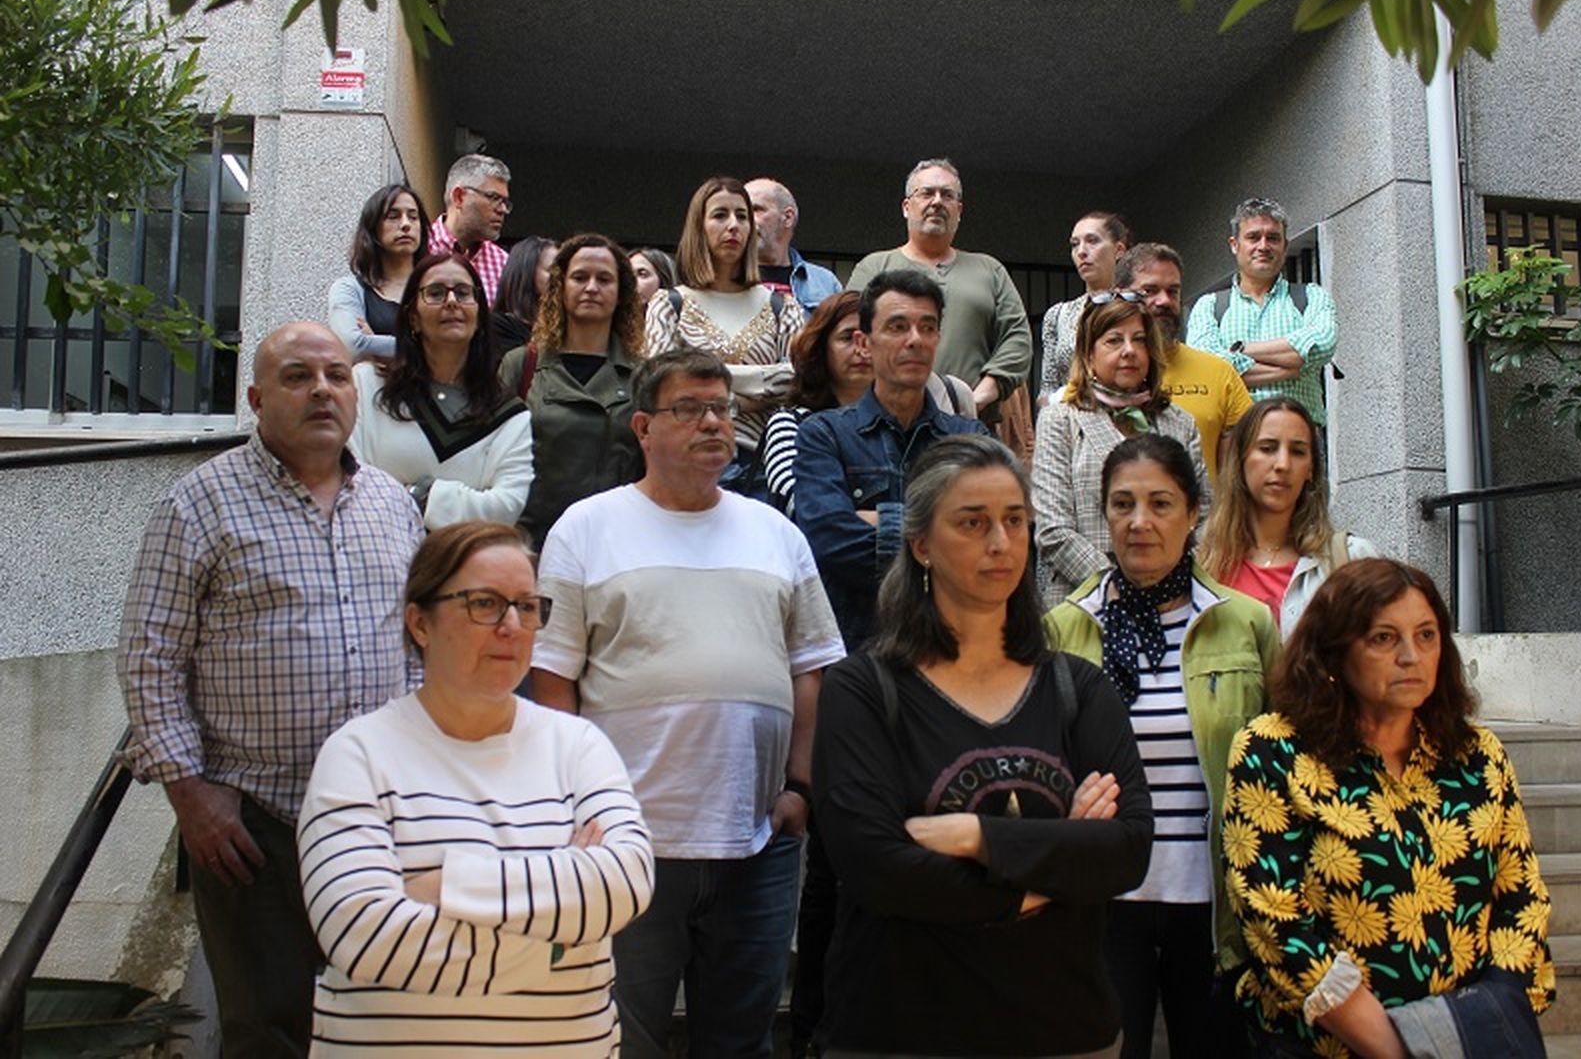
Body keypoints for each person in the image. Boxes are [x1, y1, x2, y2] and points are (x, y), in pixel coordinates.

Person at [529, 349, 846, 1058]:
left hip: (757, 840)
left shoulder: (777, 533)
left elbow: (811, 669)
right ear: (642, 427)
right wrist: (579, 806)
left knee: (741, 1040)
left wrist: (800, 787)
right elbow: (553, 683)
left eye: (724, 409)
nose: (714, 423)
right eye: (691, 408)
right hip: (629, 845)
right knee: (620, 1039)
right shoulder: (585, 527)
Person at [117, 322, 421, 1056]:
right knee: (267, 1025)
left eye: (337, 375)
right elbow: (149, 655)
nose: (322, 389)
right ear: (256, 398)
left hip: (376, 817)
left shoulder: (392, 502)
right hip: (252, 824)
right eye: (297, 376)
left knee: (381, 1016)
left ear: (358, 394)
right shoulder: (199, 504)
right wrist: (191, 793)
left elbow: (420, 645)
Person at [812, 433, 1153, 1057]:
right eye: (973, 523)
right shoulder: (862, 690)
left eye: (1014, 521)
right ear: (921, 545)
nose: (1001, 543)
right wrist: (1053, 872)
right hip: (901, 1033)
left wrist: (978, 839)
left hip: (1065, 1032)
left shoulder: (1078, 686)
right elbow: (880, 871)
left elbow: (1126, 850)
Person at [297, 521, 655, 1056]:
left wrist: (448, 885)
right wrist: (556, 943)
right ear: (420, 622)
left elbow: (626, 883)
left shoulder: (578, 745)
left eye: (527, 606)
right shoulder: (358, 754)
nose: (512, 625)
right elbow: (365, 937)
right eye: (484, 604)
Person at [1223, 559, 1555, 1058]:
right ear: (1332, 654)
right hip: (1325, 1045)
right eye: (1383, 638)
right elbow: (1274, 920)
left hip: (1470, 1037)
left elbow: (1522, 900)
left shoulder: (1477, 755)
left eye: (1427, 636)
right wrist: (1403, 1051)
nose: (1411, 656)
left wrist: (1486, 1025)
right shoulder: (1274, 751)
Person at [1044, 433, 1280, 1059]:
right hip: (1106, 903)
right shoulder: (1066, 627)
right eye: (1122, 505)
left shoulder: (1245, 622)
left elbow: (1284, 762)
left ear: (1194, 512)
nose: (1139, 522)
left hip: (1212, 907)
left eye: (1160, 504)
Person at [793, 270, 986, 650]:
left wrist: (882, 518)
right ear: (865, 343)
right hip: (858, 649)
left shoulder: (970, 438)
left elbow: (997, 542)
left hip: (951, 649)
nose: (915, 340)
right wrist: (947, 534)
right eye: (897, 327)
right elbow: (831, 544)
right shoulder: (823, 434)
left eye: (927, 327)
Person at [1034, 294, 1208, 609]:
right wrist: (1120, 586)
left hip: (1175, 600)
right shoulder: (1060, 419)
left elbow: (1204, 515)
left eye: (1139, 340)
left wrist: (1172, 583)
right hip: (1084, 601)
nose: (1129, 351)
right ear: (1088, 354)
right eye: (1114, 340)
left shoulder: (1179, 423)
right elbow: (1052, 530)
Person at [644, 176, 806, 490]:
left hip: (762, 467)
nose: (733, 225)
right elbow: (658, 384)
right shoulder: (669, 304)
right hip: (685, 463)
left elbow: (797, 383)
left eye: (742, 216)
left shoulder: (782, 306)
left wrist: (701, 386)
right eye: (720, 215)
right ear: (699, 226)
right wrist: (754, 392)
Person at [349, 252, 532, 529]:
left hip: (464, 567)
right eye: (435, 293)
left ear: (481, 317)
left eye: (463, 292)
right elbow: (347, 478)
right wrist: (465, 501)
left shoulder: (511, 415)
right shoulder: (365, 386)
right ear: (413, 318)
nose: (451, 302)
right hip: (378, 560)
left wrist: (423, 497)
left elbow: (505, 509)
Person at [762, 289, 976, 519]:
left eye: (868, 338)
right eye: (847, 338)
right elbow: (807, 516)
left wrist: (862, 518)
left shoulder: (916, 426)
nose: (861, 350)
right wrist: (934, 522)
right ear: (820, 348)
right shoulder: (791, 424)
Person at [847, 158, 1032, 421]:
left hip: (971, 425)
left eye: (947, 195)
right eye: (926, 193)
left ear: (959, 209)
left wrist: (974, 400)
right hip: (886, 423)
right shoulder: (874, 267)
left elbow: (1018, 339)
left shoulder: (990, 270)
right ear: (906, 206)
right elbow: (849, 334)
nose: (937, 201)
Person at [498, 233, 644, 548]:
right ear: (559, 288)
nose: (591, 287)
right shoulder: (520, 365)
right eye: (580, 277)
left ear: (621, 293)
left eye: (604, 279)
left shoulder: (643, 376)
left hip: (616, 545)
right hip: (531, 545)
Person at [1198, 396, 1379, 638]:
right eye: (1268, 448)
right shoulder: (1201, 563)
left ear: (1311, 468)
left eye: (1297, 451)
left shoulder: (1350, 559)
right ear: (1240, 459)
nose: (1282, 464)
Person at [1185, 197, 1338, 426]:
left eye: (1273, 238)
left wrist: (1240, 351)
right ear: (1235, 244)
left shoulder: (1311, 297)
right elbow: (1208, 371)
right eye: (1253, 237)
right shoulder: (1209, 307)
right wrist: (1290, 367)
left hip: (1300, 441)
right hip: (1234, 441)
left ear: (1285, 246)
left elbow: (1320, 346)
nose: (1263, 246)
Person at [1116, 243, 1253, 480]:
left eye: (1173, 291)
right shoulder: (1100, 377)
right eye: (1150, 291)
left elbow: (1240, 476)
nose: (1164, 301)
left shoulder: (1219, 374)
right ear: (1120, 296)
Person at [328, 183, 427, 360]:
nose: (405, 224)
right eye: (393, 216)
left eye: (413, 217)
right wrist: (425, 350)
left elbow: (458, 352)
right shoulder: (349, 289)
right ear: (373, 228)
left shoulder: (439, 288)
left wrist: (378, 346)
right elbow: (353, 346)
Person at [1040, 211, 1132, 402]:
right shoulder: (1058, 315)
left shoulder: (1137, 308)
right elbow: (1047, 389)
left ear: (1119, 249)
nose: (1081, 251)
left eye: (1092, 241)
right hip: (1069, 422)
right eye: (1075, 244)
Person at [745, 176, 844, 315]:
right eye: (741, 213)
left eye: (756, 209)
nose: (745, 220)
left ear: (788, 217)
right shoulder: (722, 279)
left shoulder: (825, 283)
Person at [428, 153, 512, 308]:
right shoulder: (418, 249)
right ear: (459, 197)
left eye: (505, 202)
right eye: (493, 198)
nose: (503, 210)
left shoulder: (504, 264)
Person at [490, 234, 557, 351]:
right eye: (552, 270)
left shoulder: (563, 327)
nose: (561, 278)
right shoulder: (497, 327)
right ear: (527, 274)